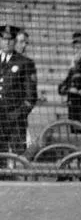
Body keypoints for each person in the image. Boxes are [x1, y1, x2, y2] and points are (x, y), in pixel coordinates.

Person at [0, 25, 37, 154]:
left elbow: (31, 97)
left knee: (18, 157)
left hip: (15, 120)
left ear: (14, 41)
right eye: (4, 39)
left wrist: (17, 115)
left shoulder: (25, 63)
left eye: (10, 39)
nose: (7, 42)